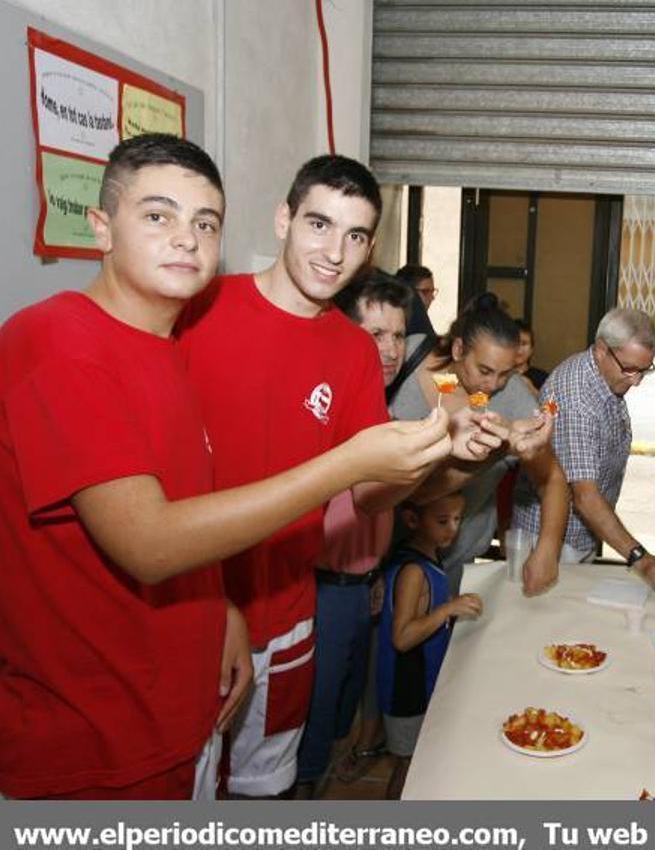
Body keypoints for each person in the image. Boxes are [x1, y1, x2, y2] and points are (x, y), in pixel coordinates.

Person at [0, 135, 449, 799]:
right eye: (158, 216)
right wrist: (341, 463)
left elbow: (191, 507)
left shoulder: (161, 344)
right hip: (95, 735)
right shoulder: (61, 340)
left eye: (205, 223)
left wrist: (220, 608)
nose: (186, 239)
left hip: (186, 700)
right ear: (101, 227)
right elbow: (149, 541)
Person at [175, 154, 460, 798]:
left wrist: (437, 452)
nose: (335, 252)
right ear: (284, 219)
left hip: (289, 613)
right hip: (192, 607)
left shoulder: (354, 350)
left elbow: (367, 491)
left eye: (355, 236)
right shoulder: (200, 308)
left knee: (265, 789)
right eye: (319, 225)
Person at [294, 272, 413, 796]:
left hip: (360, 583)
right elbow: (365, 496)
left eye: (398, 335)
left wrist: (377, 572)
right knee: (311, 721)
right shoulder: (328, 406)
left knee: (340, 709)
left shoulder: (380, 406)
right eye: (375, 335)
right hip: (321, 588)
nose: (390, 350)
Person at [390, 292, 567, 597]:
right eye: (485, 370)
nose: (493, 384)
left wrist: (547, 550)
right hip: (382, 550)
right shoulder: (407, 354)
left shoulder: (513, 399)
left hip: (455, 560)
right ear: (458, 348)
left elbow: (553, 479)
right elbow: (412, 491)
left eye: (506, 373)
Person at [512, 307, 655, 590]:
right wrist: (641, 558)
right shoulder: (577, 400)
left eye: (644, 370)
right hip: (550, 545)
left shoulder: (603, 376)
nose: (636, 381)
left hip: (580, 535)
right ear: (602, 349)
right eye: (630, 369)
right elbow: (585, 497)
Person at [377, 492, 481, 799]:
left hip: (421, 682)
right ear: (412, 520)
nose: (453, 529)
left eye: (458, 519)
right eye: (442, 521)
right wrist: (448, 609)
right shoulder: (413, 571)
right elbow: (403, 636)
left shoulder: (424, 553)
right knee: (409, 766)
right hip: (407, 689)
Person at [514, 318, 550, 391]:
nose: (519, 349)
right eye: (515, 342)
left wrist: (531, 389)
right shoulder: (497, 376)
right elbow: (484, 400)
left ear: (531, 349)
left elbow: (552, 402)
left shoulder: (542, 377)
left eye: (524, 344)